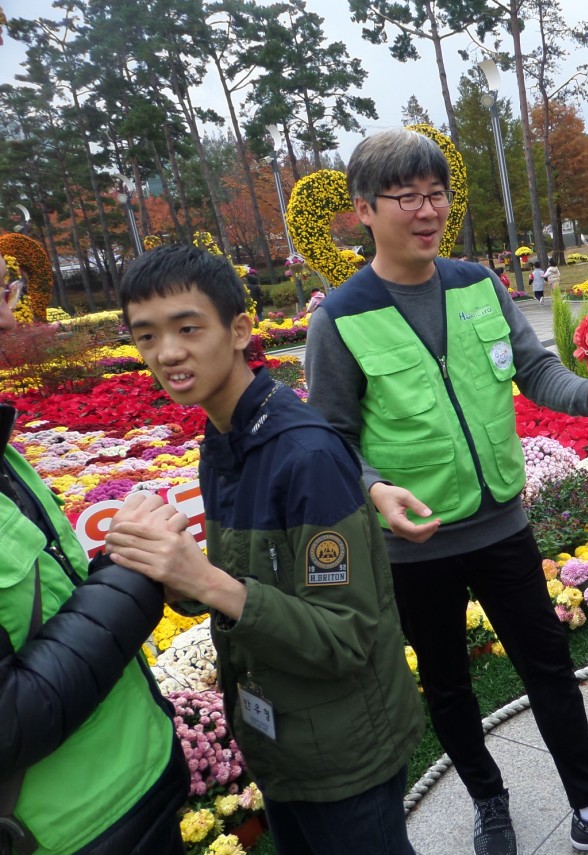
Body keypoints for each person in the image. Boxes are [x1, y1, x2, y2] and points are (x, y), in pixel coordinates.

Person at [304, 128, 588, 855]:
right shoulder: (340, 318)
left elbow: (535, 370)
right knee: (448, 684)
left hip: (502, 525)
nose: (427, 211)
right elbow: (330, 438)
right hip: (414, 546)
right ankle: (488, 799)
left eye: (437, 194)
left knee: (549, 667)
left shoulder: (477, 284)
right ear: (364, 209)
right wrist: (375, 490)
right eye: (407, 196)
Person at [104, 244, 424, 855]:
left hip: (343, 752)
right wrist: (173, 572)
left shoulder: (306, 455)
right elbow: (246, 581)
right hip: (281, 743)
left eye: (188, 328)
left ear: (240, 330)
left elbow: (345, 636)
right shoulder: (224, 438)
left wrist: (205, 581)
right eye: (146, 336)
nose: (167, 353)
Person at [0, 255, 190, 855]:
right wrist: (133, 571)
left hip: (133, 788)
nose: (11, 316)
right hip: (63, 833)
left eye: (8, 290)